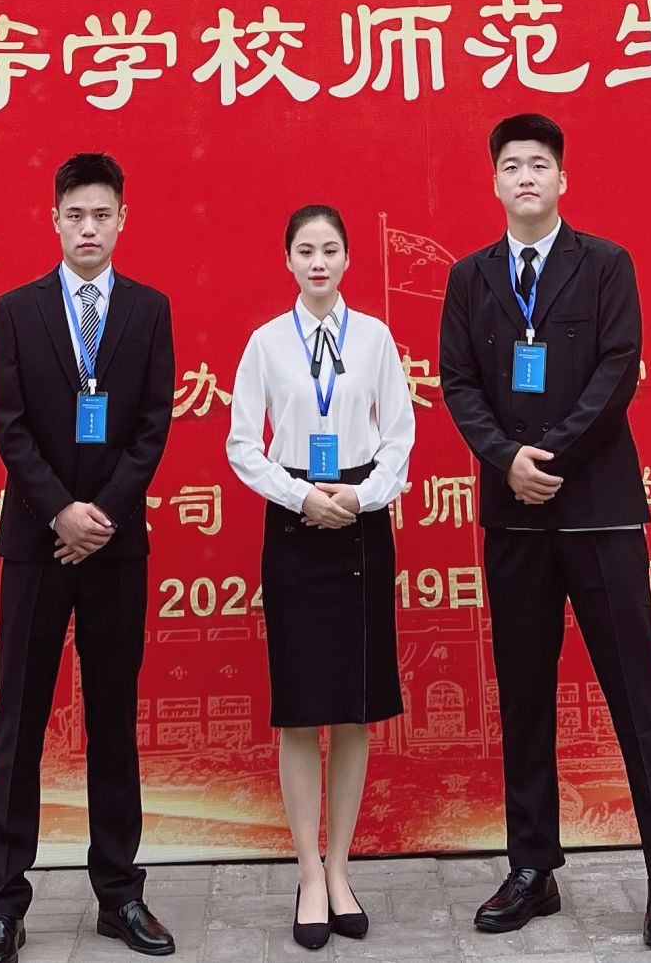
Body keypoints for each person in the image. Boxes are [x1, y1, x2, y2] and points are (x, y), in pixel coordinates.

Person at [437, 114, 651, 950]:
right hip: (515, 515)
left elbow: (619, 368)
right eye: (511, 165)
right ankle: (532, 868)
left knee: (635, 693)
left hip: (599, 511)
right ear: (494, 182)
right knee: (523, 695)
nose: (525, 176)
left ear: (561, 180)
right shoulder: (471, 277)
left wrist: (551, 453)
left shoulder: (606, 263)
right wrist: (506, 458)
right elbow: (457, 381)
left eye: (539, 164)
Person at [0, 152, 178, 962]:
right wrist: (60, 510)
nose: (88, 227)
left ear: (122, 220)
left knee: (114, 724)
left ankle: (119, 895)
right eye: (75, 215)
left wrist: (103, 515)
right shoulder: (18, 310)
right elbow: (9, 423)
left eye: (102, 214)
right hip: (36, 543)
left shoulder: (149, 310)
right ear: (54, 221)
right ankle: (3, 905)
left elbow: (153, 425)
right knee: (19, 722)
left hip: (116, 546)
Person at [226, 204, 415, 951]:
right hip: (294, 521)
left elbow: (399, 436)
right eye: (305, 250)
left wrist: (361, 498)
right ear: (287, 260)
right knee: (303, 709)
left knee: (355, 708)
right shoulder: (267, 342)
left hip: (361, 520)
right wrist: (300, 496)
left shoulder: (374, 338)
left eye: (330, 249)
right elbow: (243, 445)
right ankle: (308, 871)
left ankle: (341, 869)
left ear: (346, 259)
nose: (318, 262)